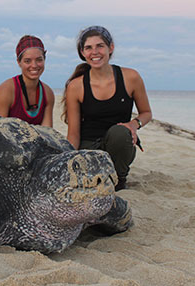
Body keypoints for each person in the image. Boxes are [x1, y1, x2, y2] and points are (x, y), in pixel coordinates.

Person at [62, 25, 152, 190]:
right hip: (89, 147)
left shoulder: (131, 77)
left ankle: (119, 179)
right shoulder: (76, 86)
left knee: (119, 132)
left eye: (100, 46)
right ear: (82, 53)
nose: (94, 52)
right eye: (88, 48)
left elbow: (146, 113)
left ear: (110, 48)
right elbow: (74, 134)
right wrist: (67, 163)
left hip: (120, 145)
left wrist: (134, 124)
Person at [0, 35, 55, 126]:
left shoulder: (47, 93)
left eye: (39, 60)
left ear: (44, 60)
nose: (34, 65)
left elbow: (47, 133)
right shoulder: (6, 90)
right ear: (19, 62)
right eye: (27, 61)